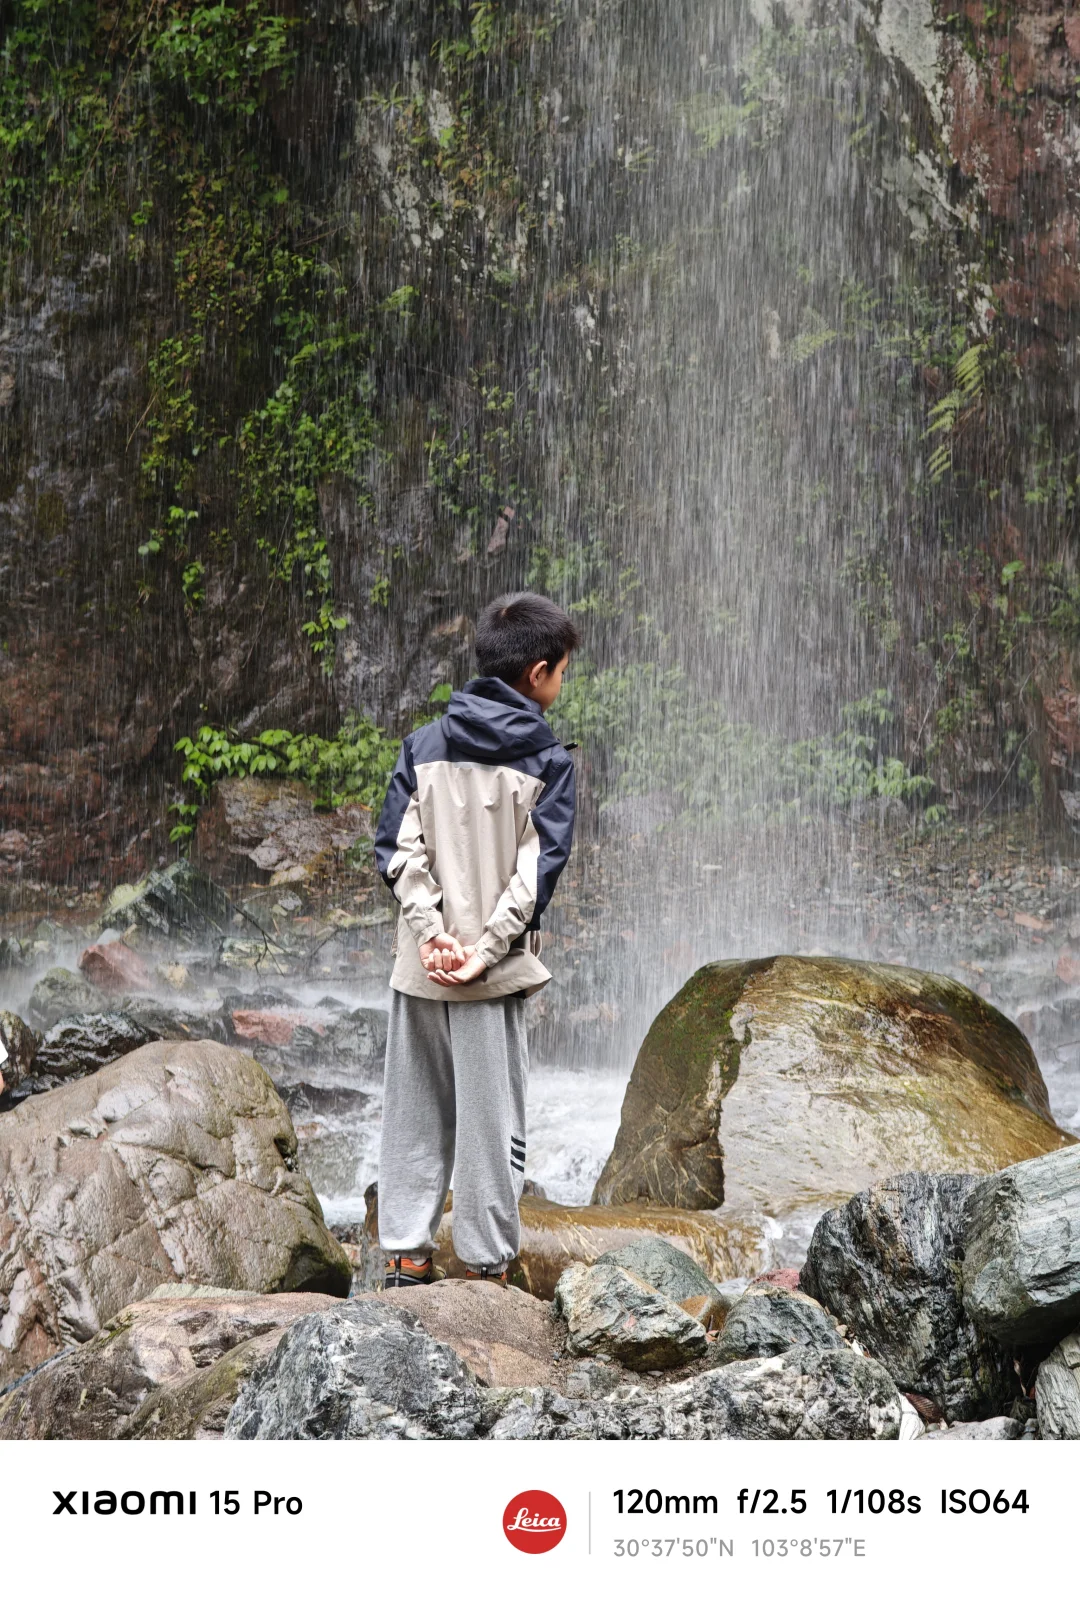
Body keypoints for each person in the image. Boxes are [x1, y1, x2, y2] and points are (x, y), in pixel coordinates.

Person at [373, 591, 580, 1289]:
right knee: (492, 1124)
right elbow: (533, 877)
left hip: (422, 969)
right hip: (488, 978)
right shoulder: (548, 762)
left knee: (413, 1107)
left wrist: (433, 939)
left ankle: (405, 1253)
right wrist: (483, 951)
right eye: (563, 672)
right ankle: (487, 1266)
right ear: (538, 672)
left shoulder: (422, 746)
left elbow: (399, 850)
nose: (562, 684)